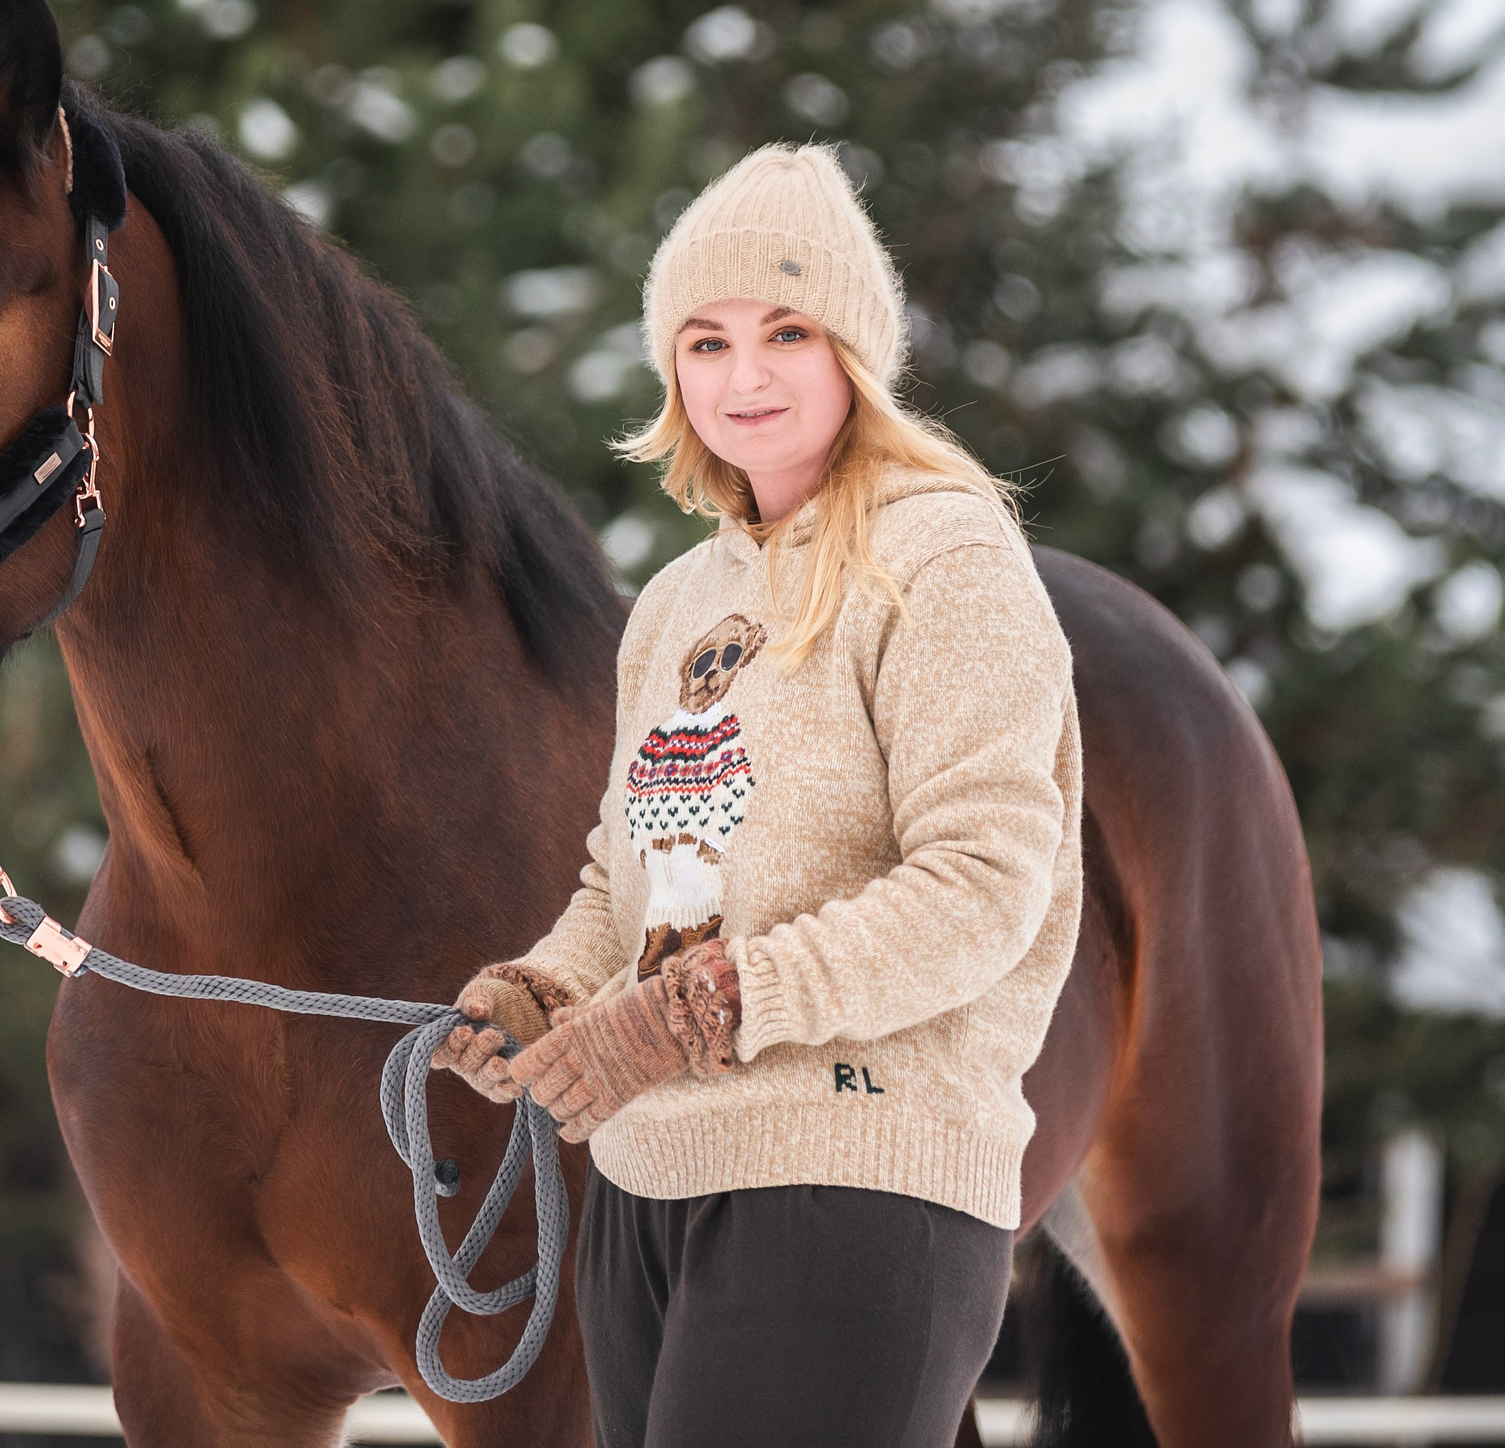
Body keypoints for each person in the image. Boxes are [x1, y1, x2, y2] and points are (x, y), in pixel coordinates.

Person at [433, 143, 1086, 1448]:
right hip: (650, 1186)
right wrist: (547, 990)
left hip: (856, 1174)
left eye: (787, 330)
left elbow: (981, 888)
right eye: (707, 341)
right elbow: (630, 879)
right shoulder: (676, 603)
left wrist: (707, 1007)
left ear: (857, 349)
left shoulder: (947, 560)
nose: (745, 376)